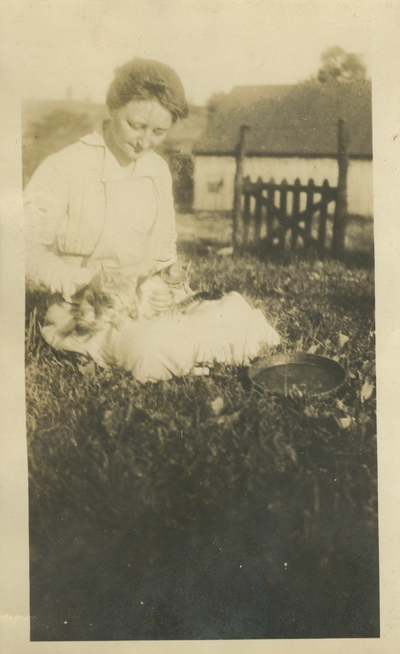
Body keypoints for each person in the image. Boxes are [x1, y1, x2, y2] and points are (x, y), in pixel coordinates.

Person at [25, 58, 280, 382]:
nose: (144, 141)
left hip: (147, 304)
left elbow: (164, 254)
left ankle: (182, 348)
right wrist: (83, 281)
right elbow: (18, 252)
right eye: (136, 125)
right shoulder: (65, 167)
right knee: (151, 346)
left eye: (158, 132)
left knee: (242, 316)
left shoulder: (157, 170)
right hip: (85, 311)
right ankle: (180, 353)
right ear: (113, 107)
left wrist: (163, 281)